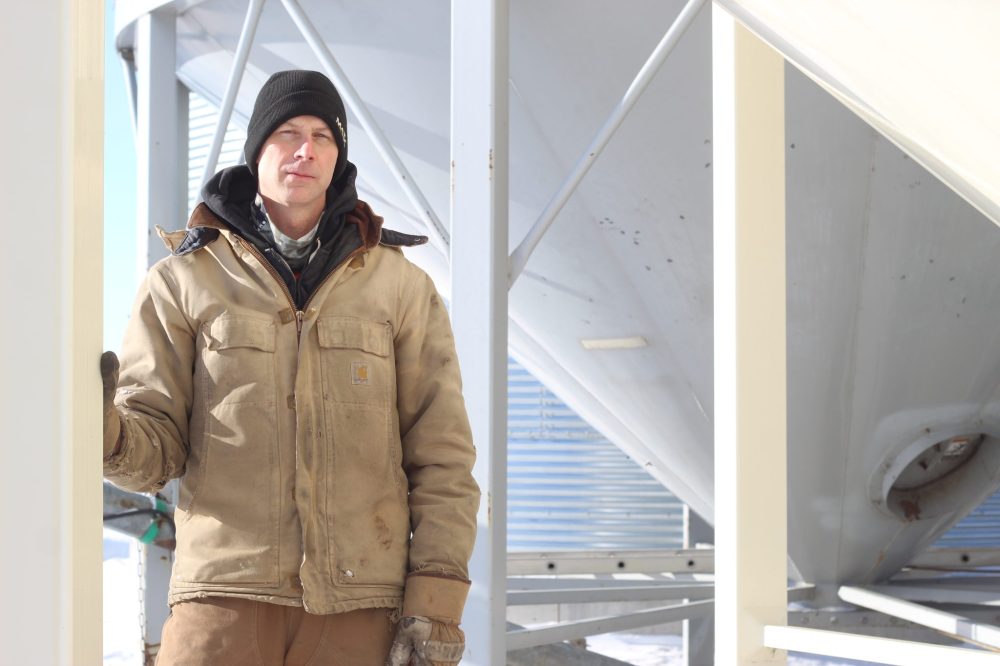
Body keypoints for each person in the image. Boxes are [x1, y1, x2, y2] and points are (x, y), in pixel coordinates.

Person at [101, 69, 480, 666]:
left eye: (322, 136)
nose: (305, 150)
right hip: (222, 604)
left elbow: (443, 456)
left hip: (359, 609)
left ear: (338, 157)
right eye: (287, 133)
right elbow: (157, 447)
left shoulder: (400, 287)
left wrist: (435, 606)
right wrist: (106, 433)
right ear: (257, 149)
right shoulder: (183, 281)